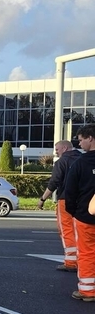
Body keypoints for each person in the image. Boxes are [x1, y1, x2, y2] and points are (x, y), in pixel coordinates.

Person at [63, 125, 95, 301]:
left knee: (87, 252)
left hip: (85, 216)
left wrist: (73, 211)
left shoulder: (80, 163)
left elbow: (70, 190)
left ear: (90, 138)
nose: (80, 143)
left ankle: (88, 291)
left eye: (81, 139)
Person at [39, 139, 81, 271]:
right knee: (80, 231)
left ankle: (71, 262)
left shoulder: (62, 162)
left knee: (67, 230)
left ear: (64, 148)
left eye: (57, 149)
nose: (55, 152)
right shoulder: (84, 159)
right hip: (83, 201)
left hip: (65, 199)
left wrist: (42, 199)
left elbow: (54, 182)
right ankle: (82, 260)